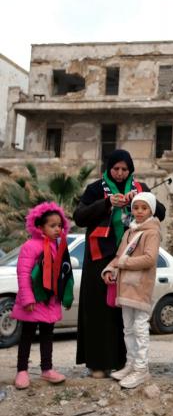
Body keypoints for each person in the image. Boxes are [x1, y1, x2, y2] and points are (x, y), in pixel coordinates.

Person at [73, 149, 165, 378]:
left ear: (130, 169)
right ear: (108, 169)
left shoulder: (140, 187)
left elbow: (160, 212)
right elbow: (80, 216)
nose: (121, 173)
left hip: (131, 257)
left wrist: (139, 200)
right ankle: (98, 363)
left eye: (125, 169)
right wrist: (106, 204)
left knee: (125, 309)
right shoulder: (96, 189)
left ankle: (126, 362)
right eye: (116, 169)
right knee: (99, 310)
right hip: (100, 257)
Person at [101, 192, 161, 389]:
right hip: (125, 287)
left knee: (141, 327)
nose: (139, 212)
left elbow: (149, 259)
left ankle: (142, 369)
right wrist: (110, 269)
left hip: (141, 286)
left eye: (144, 208)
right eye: (136, 208)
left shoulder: (152, 232)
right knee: (128, 327)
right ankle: (131, 364)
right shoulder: (129, 231)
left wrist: (124, 263)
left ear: (151, 209)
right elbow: (119, 256)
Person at [12, 202, 73, 390]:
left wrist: (64, 295)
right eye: (52, 226)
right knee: (27, 335)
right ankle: (22, 371)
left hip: (49, 301)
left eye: (59, 225)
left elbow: (62, 272)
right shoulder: (30, 246)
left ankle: (47, 369)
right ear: (40, 227)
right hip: (33, 300)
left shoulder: (58, 246)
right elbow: (23, 274)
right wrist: (28, 298)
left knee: (47, 335)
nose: (57, 229)